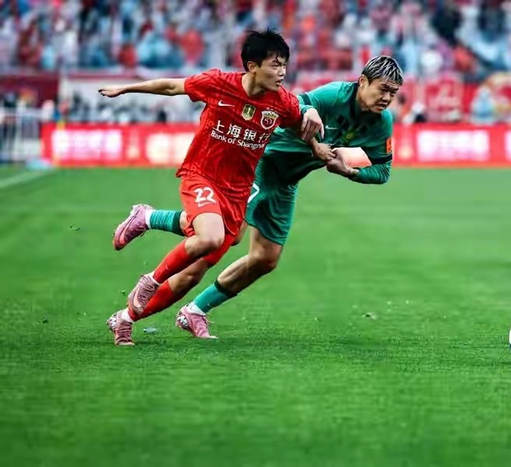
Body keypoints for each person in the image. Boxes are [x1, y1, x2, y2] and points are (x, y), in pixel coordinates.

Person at [108, 56, 403, 340]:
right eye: (383, 89)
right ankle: (128, 311)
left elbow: (382, 171)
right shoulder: (335, 95)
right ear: (362, 82)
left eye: (393, 92)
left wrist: (349, 171)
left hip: (285, 183)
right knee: (217, 244)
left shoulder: (381, 123)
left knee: (265, 259)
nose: (387, 98)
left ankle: (194, 310)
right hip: (261, 165)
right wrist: (307, 109)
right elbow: (291, 103)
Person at [101, 30, 325, 345]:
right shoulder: (218, 83)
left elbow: (301, 123)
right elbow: (172, 86)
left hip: (238, 190)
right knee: (210, 236)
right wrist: (126, 88)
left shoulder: (282, 102)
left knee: (194, 272)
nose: (282, 72)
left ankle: (125, 317)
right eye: (275, 65)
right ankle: (150, 280)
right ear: (252, 66)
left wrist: (316, 145)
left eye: (285, 65)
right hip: (202, 175)